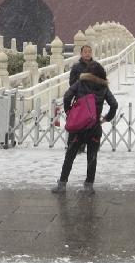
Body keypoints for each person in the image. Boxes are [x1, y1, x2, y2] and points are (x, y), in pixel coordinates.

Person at [51, 61, 118, 194]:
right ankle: (89, 186)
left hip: (79, 127)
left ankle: (62, 184)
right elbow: (114, 104)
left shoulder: (81, 83)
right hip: (94, 127)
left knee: (70, 155)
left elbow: (67, 96)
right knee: (92, 157)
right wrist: (106, 118)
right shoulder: (104, 87)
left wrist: (70, 111)